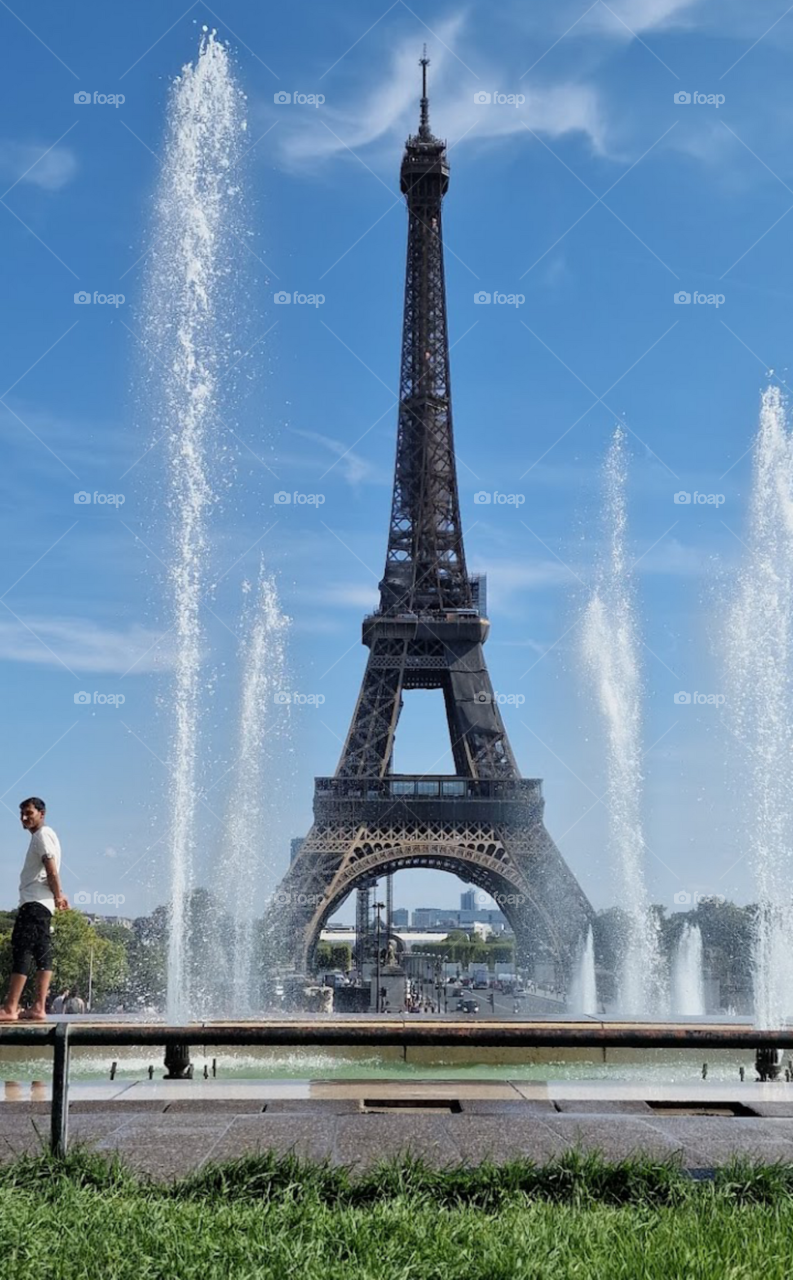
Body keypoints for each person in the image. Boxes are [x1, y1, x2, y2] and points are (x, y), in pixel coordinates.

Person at [0, 798, 68, 1022]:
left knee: (22, 949)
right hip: (43, 905)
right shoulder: (47, 835)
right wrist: (57, 895)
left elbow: (50, 866)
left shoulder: (42, 835)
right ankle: (39, 1007)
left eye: (29, 813)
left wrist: (58, 895)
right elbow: (50, 870)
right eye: (22, 814)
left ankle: (10, 1007)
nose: (24, 818)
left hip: (34, 903)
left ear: (42, 813)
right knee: (41, 951)